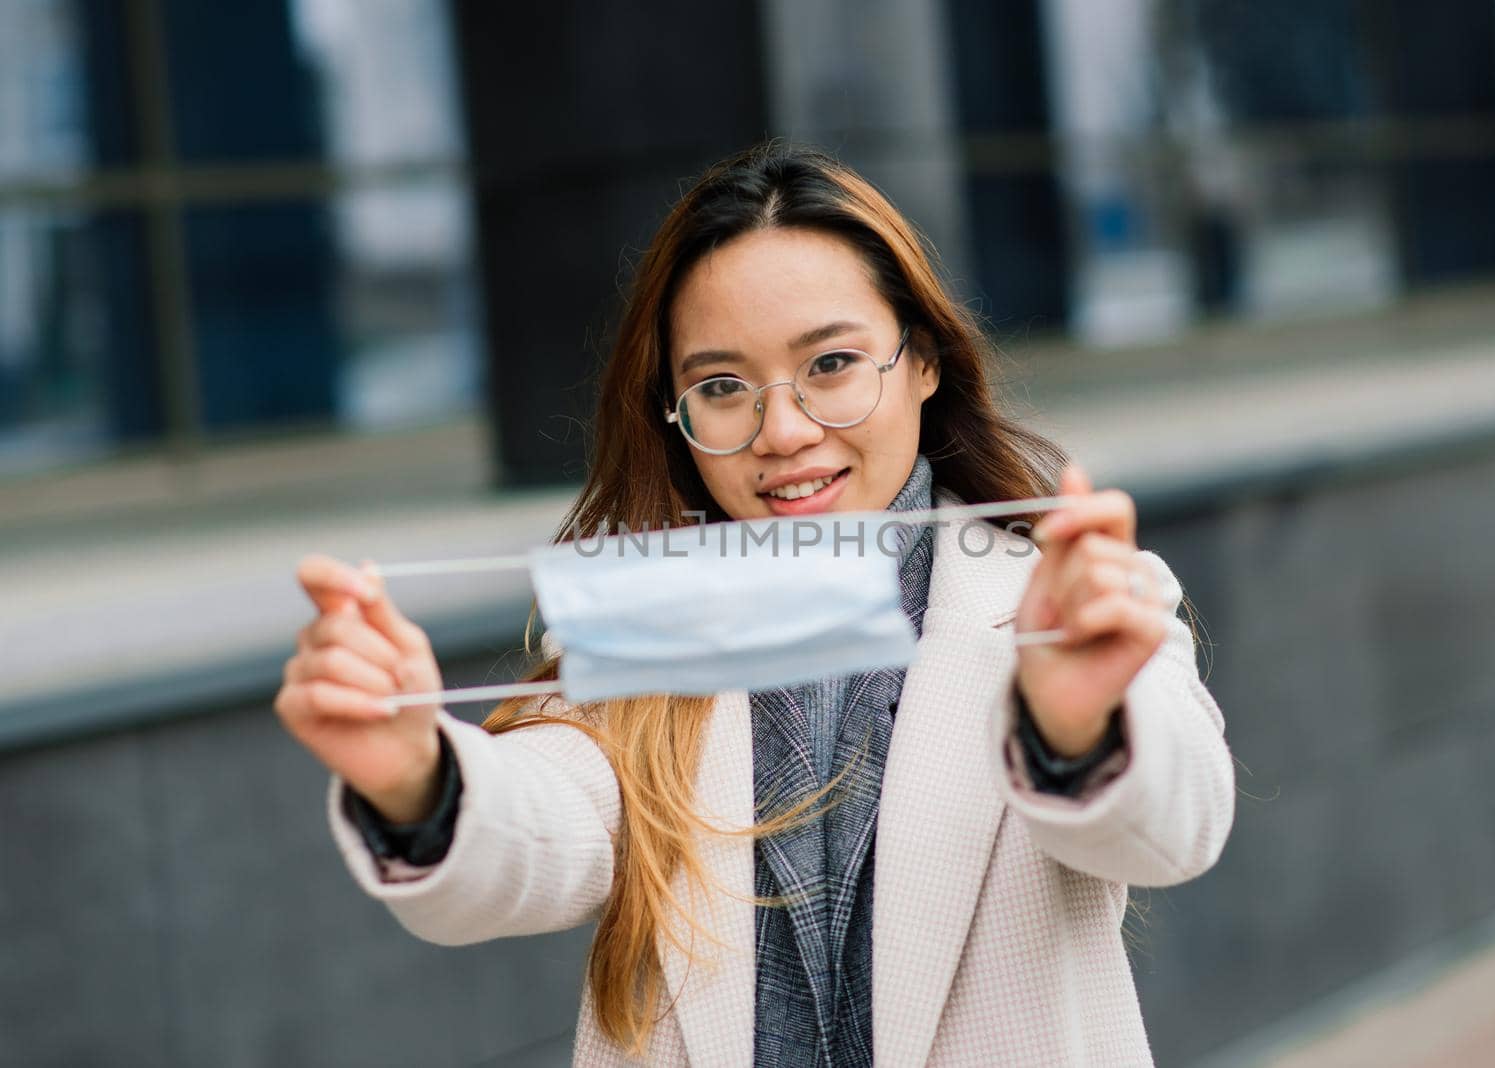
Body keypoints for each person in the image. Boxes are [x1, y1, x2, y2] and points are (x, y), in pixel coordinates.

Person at [275, 141, 1235, 1066]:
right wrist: (415, 778)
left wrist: (1074, 726)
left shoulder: (1058, 603)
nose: (782, 431)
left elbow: (1177, 827)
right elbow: (545, 820)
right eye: (722, 386)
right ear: (673, 410)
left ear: (925, 361)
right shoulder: (655, 613)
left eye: (831, 365)